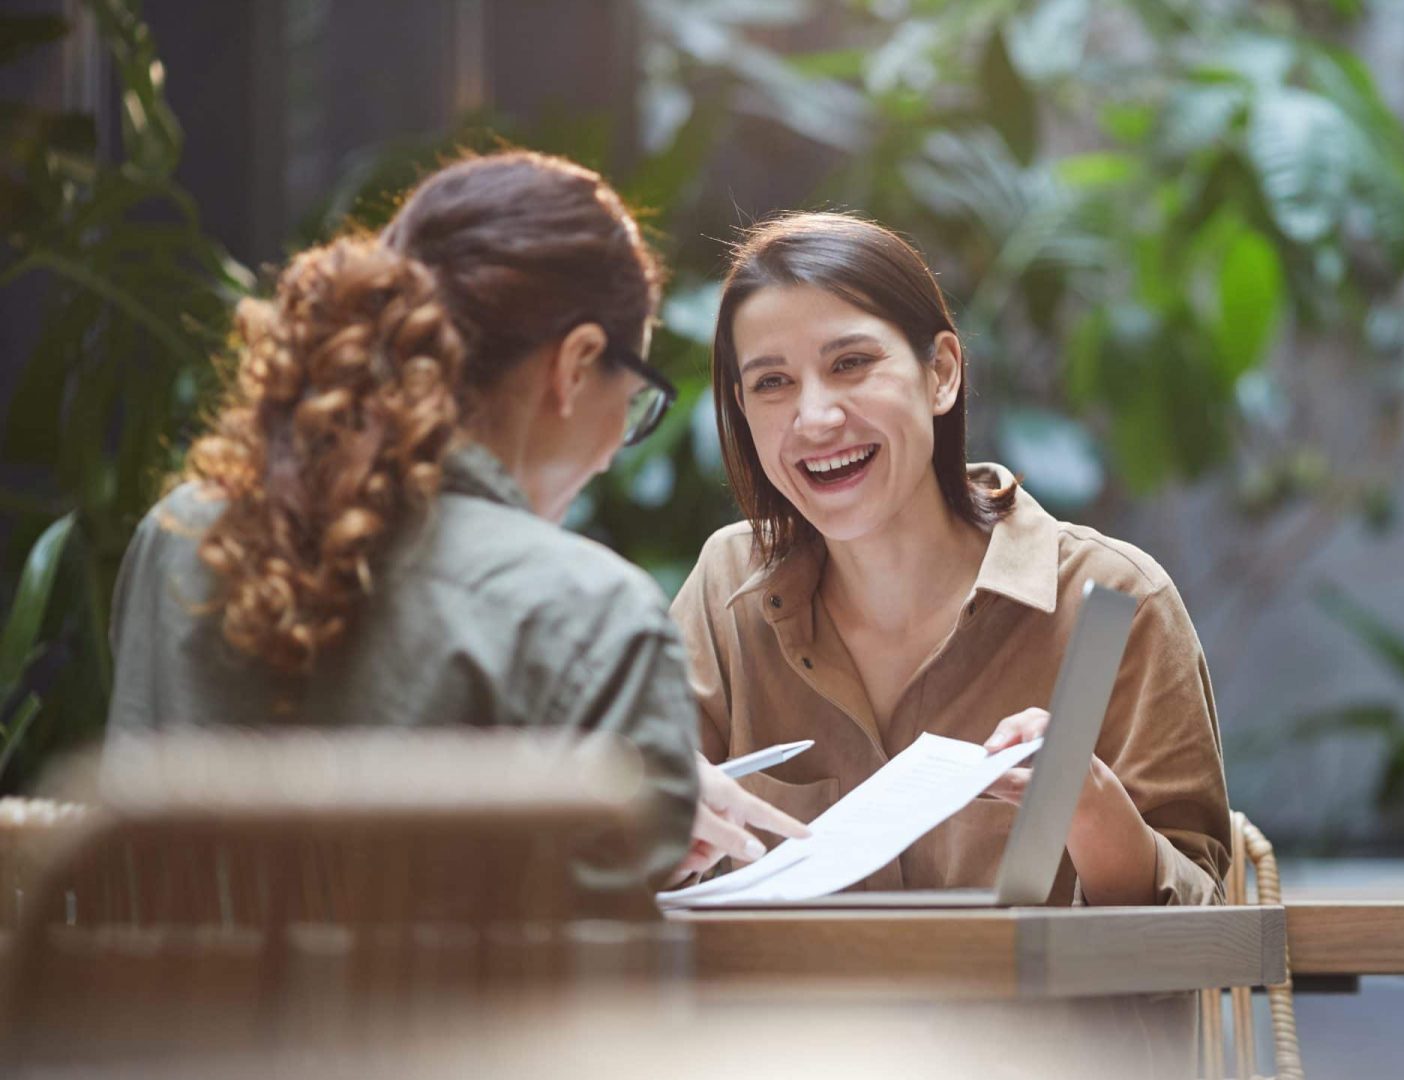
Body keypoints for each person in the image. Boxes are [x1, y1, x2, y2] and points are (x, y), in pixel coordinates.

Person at [108, 151, 800, 883]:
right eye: (631, 400)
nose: (608, 456)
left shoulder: (181, 536)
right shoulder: (590, 615)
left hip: (157, 1003)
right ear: (575, 364)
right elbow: (594, 972)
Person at [672, 212, 1231, 905]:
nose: (814, 419)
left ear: (940, 373)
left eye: (850, 364)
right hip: (783, 1019)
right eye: (772, 383)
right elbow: (610, 862)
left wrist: (1090, 810)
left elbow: (1203, 939)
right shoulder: (725, 590)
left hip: (1029, 1018)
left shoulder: (1116, 598)